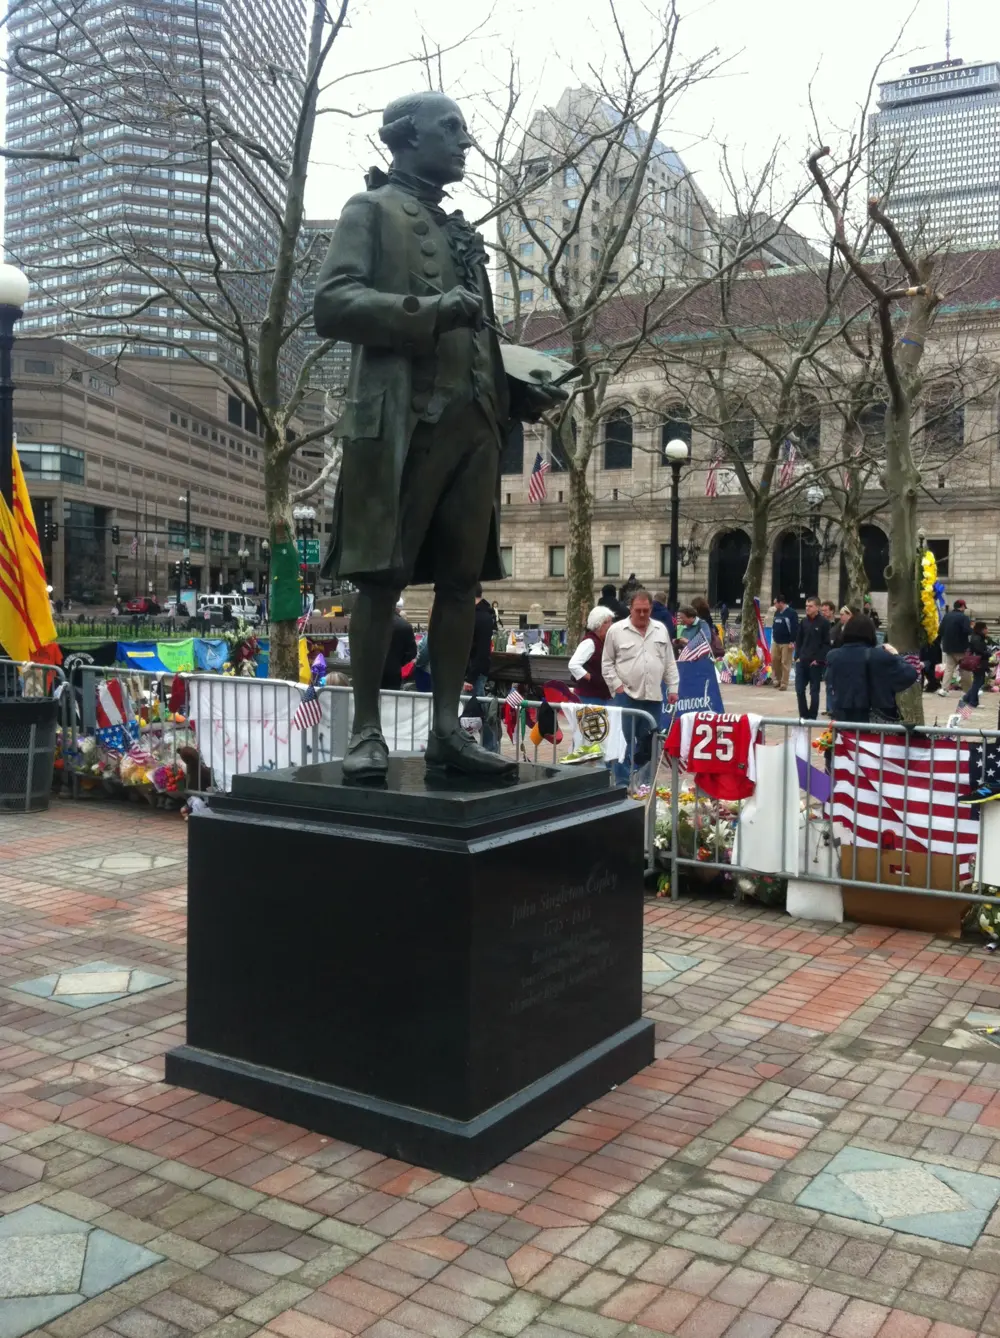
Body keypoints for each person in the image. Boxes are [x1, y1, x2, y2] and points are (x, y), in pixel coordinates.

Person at [313, 89, 566, 783]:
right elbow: (332, 304)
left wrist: (519, 391)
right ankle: (365, 731)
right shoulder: (371, 211)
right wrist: (428, 310)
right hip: (405, 422)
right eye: (450, 129)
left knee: (462, 585)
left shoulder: (459, 231)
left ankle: (447, 729)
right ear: (405, 138)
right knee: (379, 580)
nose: (465, 142)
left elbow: (477, 336)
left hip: (476, 424)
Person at [602, 589, 679, 787]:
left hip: (653, 696)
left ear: (651, 608)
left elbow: (669, 662)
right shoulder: (616, 630)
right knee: (624, 742)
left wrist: (673, 688)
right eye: (639, 610)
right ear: (631, 608)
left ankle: (644, 785)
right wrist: (617, 686)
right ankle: (622, 783)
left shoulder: (661, 629)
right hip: (625, 695)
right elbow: (607, 663)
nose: (643, 614)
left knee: (649, 744)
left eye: (646, 610)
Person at [825, 614, 918, 724]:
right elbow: (910, 674)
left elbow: (828, 680)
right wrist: (895, 655)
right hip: (876, 722)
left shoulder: (834, 656)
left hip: (843, 720)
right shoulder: (879, 656)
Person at [465, 583, 498, 751]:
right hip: (472, 671)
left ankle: (491, 749)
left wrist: (470, 677)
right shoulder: (476, 615)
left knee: (480, 713)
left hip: (474, 673)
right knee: (475, 713)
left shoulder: (482, 618)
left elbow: (481, 651)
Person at [568, 606, 615, 703]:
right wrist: (591, 678)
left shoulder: (603, 641)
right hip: (589, 697)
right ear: (598, 624)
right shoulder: (590, 642)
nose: (610, 625)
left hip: (601, 696)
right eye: (607, 622)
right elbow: (573, 665)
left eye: (611, 621)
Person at [795, 596, 830, 720]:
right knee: (799, 689)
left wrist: (819, 659)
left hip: (815, 662)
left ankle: (812, 715)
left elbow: (826, 644)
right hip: (802, 661)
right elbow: (798, 640)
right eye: (806, 606)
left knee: (814, 691)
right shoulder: (803, 622)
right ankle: (803, 714)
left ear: (817, 607)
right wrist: (797, 657)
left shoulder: (824, 623)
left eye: (810, 606)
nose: (807, 608)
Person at [380, 599, 418, 691]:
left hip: (370, 672)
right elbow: (412, 652)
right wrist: (398, 662)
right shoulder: (404, 626)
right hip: (393, 672)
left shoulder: (370, 622)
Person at [938, 598, 972, 696]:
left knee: (949, 669)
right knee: (965, 670)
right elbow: (967, 631)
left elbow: (940, 631)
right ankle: (968, 690)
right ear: (962, 607)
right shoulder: (964, 618)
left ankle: (944, 689)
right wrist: (972, 629)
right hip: (961, 648)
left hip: (948, 647)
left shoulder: (947, 616)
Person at [958, 620, 990, 711]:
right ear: (982, 629)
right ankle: (972, 701)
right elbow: (979, 650)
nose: (987, 630)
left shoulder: (979, 637)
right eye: (986, 628)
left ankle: (968, 698)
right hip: (978, 663)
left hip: (979, 663)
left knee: (979, 681)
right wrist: (987, 654)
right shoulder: (977, 638)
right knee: (978, 681)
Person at [770, 595, 798, 691]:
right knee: (774, 660)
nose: (774, 605)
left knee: (785, 662)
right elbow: (774, 626)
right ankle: (777, 679)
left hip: (787, 642)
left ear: (781, 602)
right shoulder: (776, 613)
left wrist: (792, 641)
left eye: (775, 603)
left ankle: (784, 683)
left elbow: (794, 628)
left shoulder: (792, 613)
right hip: (776, 641)